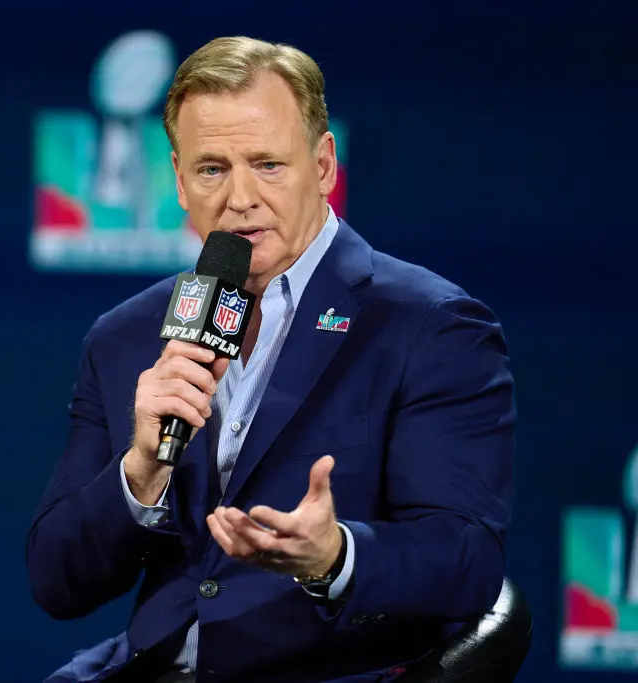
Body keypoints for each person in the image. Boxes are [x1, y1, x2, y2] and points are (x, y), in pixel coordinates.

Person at [27, 35, 514, 683]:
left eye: (268, 164)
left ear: (323, 165)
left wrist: (334, 555)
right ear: (177, 178)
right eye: (212, 169)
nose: (240, 196)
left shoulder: (429, 325)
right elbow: (57, 581)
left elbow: (466, 561)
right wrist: (141, 470)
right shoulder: (129, 336)